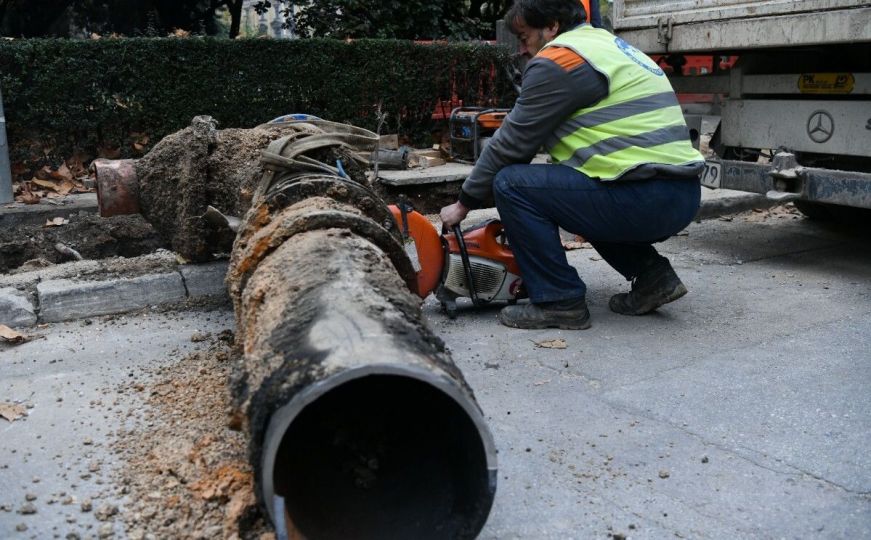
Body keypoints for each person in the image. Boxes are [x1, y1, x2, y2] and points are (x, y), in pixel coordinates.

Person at [440, 0, 703, 330]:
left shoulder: (559, 60)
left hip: (645, 196)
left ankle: (559, 300)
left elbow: (511, 144)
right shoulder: (606, 46)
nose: (522, 49)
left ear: (551, 26)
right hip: (680, 194)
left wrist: (464, 203)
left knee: (511, 183)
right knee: (581, 189)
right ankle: (653, 278)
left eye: (524, 37)